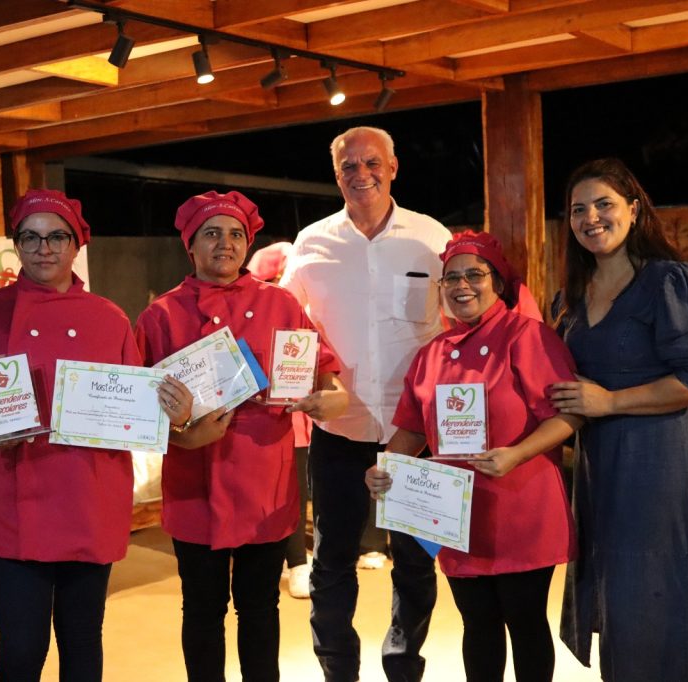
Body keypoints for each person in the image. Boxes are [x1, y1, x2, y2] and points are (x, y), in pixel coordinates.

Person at [0, 190, 192, 682]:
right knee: (22, 651)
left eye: (57, 236)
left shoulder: (109, 317)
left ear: (77, 242)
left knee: (83, 641)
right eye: (31, 237)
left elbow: (137, 405)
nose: (45, 248)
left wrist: (176, 412)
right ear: (16, 244)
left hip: (90, 498)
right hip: (18, 503)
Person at [135, 190, 347, 682]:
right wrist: (185, 434)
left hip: (263, 477)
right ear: (190, 245)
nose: (225, 244)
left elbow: (326, 376)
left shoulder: (282, 304)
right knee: (202, 609)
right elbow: (139, 409)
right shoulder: (160, 315)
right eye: (212, 233)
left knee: (260, 608)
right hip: (194, 479)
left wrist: (331, 399)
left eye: (236, 234)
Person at [365, 231, 580, 682]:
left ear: (498, 283)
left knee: (525, 623)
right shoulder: (432, 354)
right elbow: (412, 429)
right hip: (456, 514)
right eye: (451, 278)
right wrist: (385, 468)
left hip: (522, 506)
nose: (462, 285)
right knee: (476, 624)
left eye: (475, 275)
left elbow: (568, 418)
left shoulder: (528, 336)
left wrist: (515, 454)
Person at [280, 126, 451, 682]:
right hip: (341, 429)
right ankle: (338, 670)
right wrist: (300, 381)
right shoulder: (311, 243)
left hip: (416, 431)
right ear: (337, 176)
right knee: (331, 563)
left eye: (372, 162)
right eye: (348, 166)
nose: (362, 174)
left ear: (394, 166)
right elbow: (285, 326)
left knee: (417, 561)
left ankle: (404, 666)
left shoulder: (431, 238)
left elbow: (458, 324)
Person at [551, 158, 688, 680]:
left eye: (604, 204)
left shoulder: (670, 281)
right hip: (601, 465)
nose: (591, 218)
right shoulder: (570, 298)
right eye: (579, 209)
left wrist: (610, 402)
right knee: (617, 596)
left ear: (634, 208)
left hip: (661, 459)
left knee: (658, 589)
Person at [247, 241, 313, 599]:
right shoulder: (250, 314)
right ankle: (294, 563)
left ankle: (301, 561)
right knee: (277, 492)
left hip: (303, 420)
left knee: (299, 491)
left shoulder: (298, 311)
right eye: (272, 279)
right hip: (263, 422)